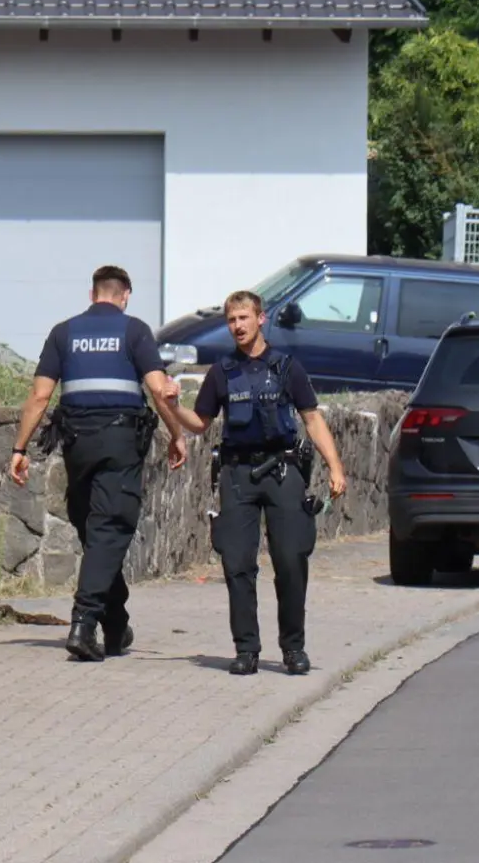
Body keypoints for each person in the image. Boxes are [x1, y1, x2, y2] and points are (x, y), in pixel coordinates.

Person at [8, 265, 189, 662]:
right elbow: (159, 390)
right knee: (109, 528)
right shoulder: (134, 330)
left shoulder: (64, 332)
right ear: (124, 296)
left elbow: (39, 398)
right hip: (120, 442)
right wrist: (177, 435)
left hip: (77, 444)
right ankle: (84, 623)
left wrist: (19, 449)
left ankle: (115, 623)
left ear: (93, 295)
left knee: (95, 531)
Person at [164, 289, 346, 677]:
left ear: (260, 319)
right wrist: (171, 405)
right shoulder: (222, 371)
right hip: (238, 474)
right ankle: (246, 649)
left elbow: (312, 419)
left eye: (244, 318)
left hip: (283, 472)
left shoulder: (287, 367)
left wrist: (335, 467)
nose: (238, 326)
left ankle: (293, 649)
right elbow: (200, 424)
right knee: (237, 564)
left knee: (291, 560)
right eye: (231, 320)